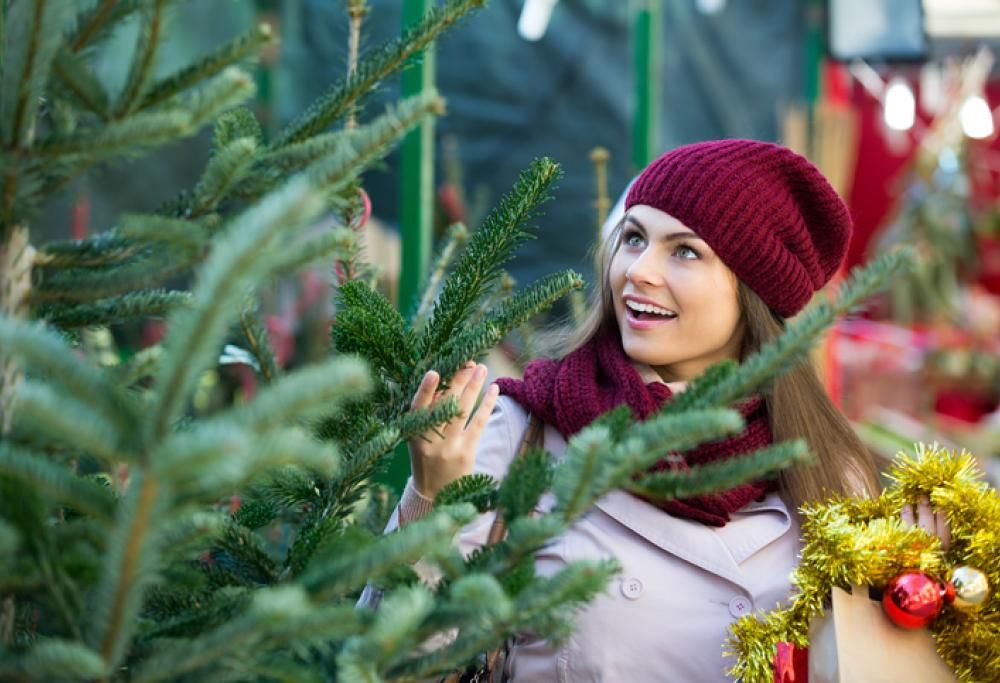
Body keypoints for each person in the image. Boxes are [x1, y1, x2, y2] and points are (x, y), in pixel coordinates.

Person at [369, 140, 950, 681]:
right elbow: (390, 658)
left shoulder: (824, 469)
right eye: (634, 238)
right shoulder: (522, 431)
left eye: (686, 252)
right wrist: (430, 500)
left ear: (754, 295)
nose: (639, 271)